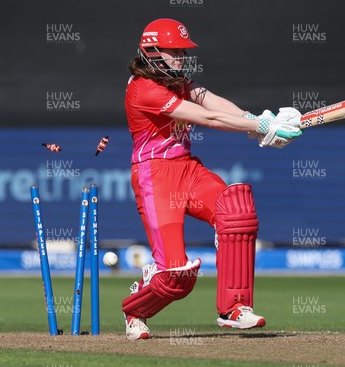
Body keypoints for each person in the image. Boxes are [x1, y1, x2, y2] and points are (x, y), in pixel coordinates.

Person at [122, 18, 302, 340]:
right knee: (177, 278)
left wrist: (258, 118)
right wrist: (260, 128)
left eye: (182, 51)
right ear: (150, 51)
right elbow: (208, 117)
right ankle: (136, 308)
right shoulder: (143, 89)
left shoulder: (179, 81)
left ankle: (235, 308)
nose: (180, 57)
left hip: (187, 169)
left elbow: (212, 101)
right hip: (155, 177)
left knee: (236, 210)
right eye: (172, 51)